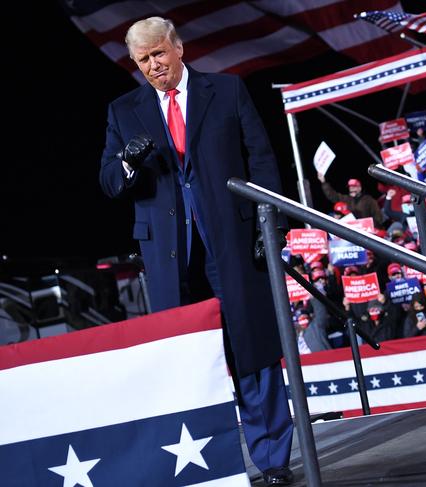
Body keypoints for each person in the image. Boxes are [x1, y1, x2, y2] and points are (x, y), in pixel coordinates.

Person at [99, 18, 293, 485]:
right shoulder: (123, 110)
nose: (153, 66)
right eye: (143, 60)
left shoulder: (226, 91)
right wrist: (128, 160)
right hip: (170, 256)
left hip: (231, 243)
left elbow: (262, 159)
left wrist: (271, 228)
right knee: (186, 362)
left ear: (178, 48)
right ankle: (210, 467)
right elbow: (109, 181)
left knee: (253, 348)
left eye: (158, 54)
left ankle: (273, 461)